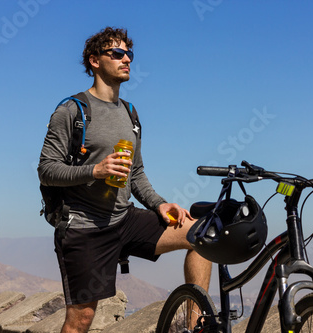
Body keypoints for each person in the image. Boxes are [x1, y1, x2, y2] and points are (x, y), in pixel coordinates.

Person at [38, 27, 212, 333]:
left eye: (129, 53)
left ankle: (195, 325)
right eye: (116, 53)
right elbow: (46, 169)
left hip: (123, 218)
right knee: (80, 320)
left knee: (204, 235)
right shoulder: (71, 111)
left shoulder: (130, 114)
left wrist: (159, 204)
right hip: (84, 227)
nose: (126, 59)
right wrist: (96, 170)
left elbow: (137, 173)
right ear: (94, 60)